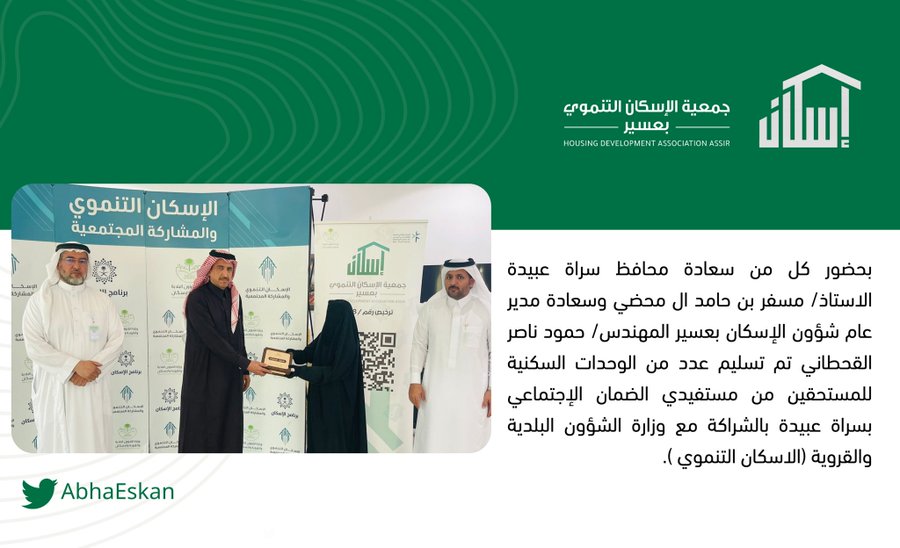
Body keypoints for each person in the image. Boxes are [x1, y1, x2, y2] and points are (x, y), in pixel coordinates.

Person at [22, 242, 125, 452]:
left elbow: (117, 339)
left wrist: (91, 369)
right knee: (58, 447)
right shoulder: (40, 300)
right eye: (70, 259)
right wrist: (74, 366)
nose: (76, 266)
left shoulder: (102, 300)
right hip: (55, 388)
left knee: (94, 445)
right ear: (58, 264)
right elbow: (34, 345)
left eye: (82, 261)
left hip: (93, 386)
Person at [179, 250, 268, 453]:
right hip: (204, 376)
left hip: (229, 374)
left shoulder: (234, 298)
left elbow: (239, 335)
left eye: (229, 269)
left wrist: (244, 370)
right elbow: (212, 340)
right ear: (209, 270)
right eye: (220, 268)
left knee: (229, 428)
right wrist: (246, 363)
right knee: (201, 429)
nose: (225, 274)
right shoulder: (197, 299)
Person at [409, 258, 491, 452]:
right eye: (449, 277)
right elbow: (419, 345)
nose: (453, 282)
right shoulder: (431, 308)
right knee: (434, 438)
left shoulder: (486, 311)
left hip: (473, 394)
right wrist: (414, 381)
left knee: (469, 439)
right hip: (435, 391)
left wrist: (492, 388)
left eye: (460, 277)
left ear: (472, 281)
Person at [286, 299, 367, 453]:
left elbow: (333, 372)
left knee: (334, 444)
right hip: (320, 402)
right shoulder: (326, 335)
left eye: (333, 314)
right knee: (319, 440)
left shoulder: (349, 342)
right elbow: (307, 354)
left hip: (339, 406)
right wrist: (289, 356)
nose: (330, 318)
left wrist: (299, 371)